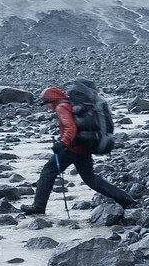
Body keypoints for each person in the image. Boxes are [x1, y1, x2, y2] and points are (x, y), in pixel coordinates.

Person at [21, 85, 135, 215]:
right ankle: (126, 200)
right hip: (83, 147)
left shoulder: (61, 107)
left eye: (46, 103)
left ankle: (38, 206)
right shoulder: (72, 105)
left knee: (48, 172)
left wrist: (62, 143)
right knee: (90, 179)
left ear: (52, 100)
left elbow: (70, 127)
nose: (46, 107)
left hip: (70, 148)